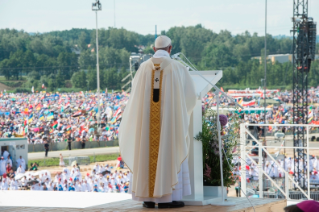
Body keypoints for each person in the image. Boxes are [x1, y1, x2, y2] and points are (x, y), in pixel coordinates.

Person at [119, 35, 196, 208]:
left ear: (154, 49)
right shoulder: (178, 67)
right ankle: (166, 199)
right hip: (170, 124)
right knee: (169, 151)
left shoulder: (143, 68)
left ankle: (147, 198)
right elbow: (190, 98)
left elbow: (135, 100)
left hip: (147, 124)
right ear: (170, 48)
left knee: (146, 151)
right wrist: (180, 113)